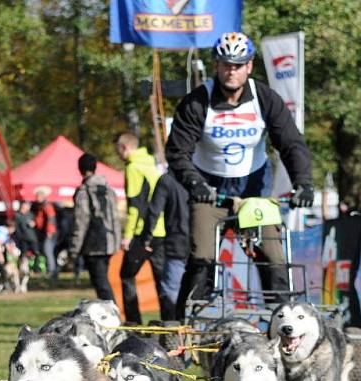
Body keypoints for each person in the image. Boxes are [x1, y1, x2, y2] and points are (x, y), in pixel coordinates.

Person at [166, 31, 313, 313]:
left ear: (249, 66)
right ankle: (183, 325)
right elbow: (177, 151)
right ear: (216, 66)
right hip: (209, 190)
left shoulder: (265, 98)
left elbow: (291, 144)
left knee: (273, 256)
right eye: (225, 64)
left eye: (237, 65)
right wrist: (194, 182)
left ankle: (282, 320)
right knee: (203, 257)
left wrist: (303, 183)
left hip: (253, 189)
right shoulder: (197, 101)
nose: (231, 71)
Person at [116, 132, 166, 323]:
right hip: (160, 230)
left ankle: (133, 322)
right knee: (161, 279)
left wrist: (128, 235)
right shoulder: (152, 165)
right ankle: (169, 320)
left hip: (142, 232)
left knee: (126, 275)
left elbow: (135, 205)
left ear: (124, 148)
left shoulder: (133, 168)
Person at [69, 152, 120, 301]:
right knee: (103, 281)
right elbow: (115, 217)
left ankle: (112, 316)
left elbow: (81, 221)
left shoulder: (84, 191)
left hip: (93, 245)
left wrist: (74, 249)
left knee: (101, 284)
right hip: (110, 242)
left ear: (80, 169)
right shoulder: (108, 190)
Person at [139, 173, 190, 320]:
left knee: (171, 293)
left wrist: (146, 238)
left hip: (176, 244)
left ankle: (171, 335)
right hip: (201, 245)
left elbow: (153, 211)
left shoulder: (167, 180)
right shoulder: (202, 175)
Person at [33, 187, 58, 280]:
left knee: (48, 251)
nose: (36, 198)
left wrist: (50, 231)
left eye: (38, 196)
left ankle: (52, 271)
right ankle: (52, 270)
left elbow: (51, 219)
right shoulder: (40, 206)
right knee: (47, 251)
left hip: (50, 233)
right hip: (45, 232)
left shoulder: (47, 206)